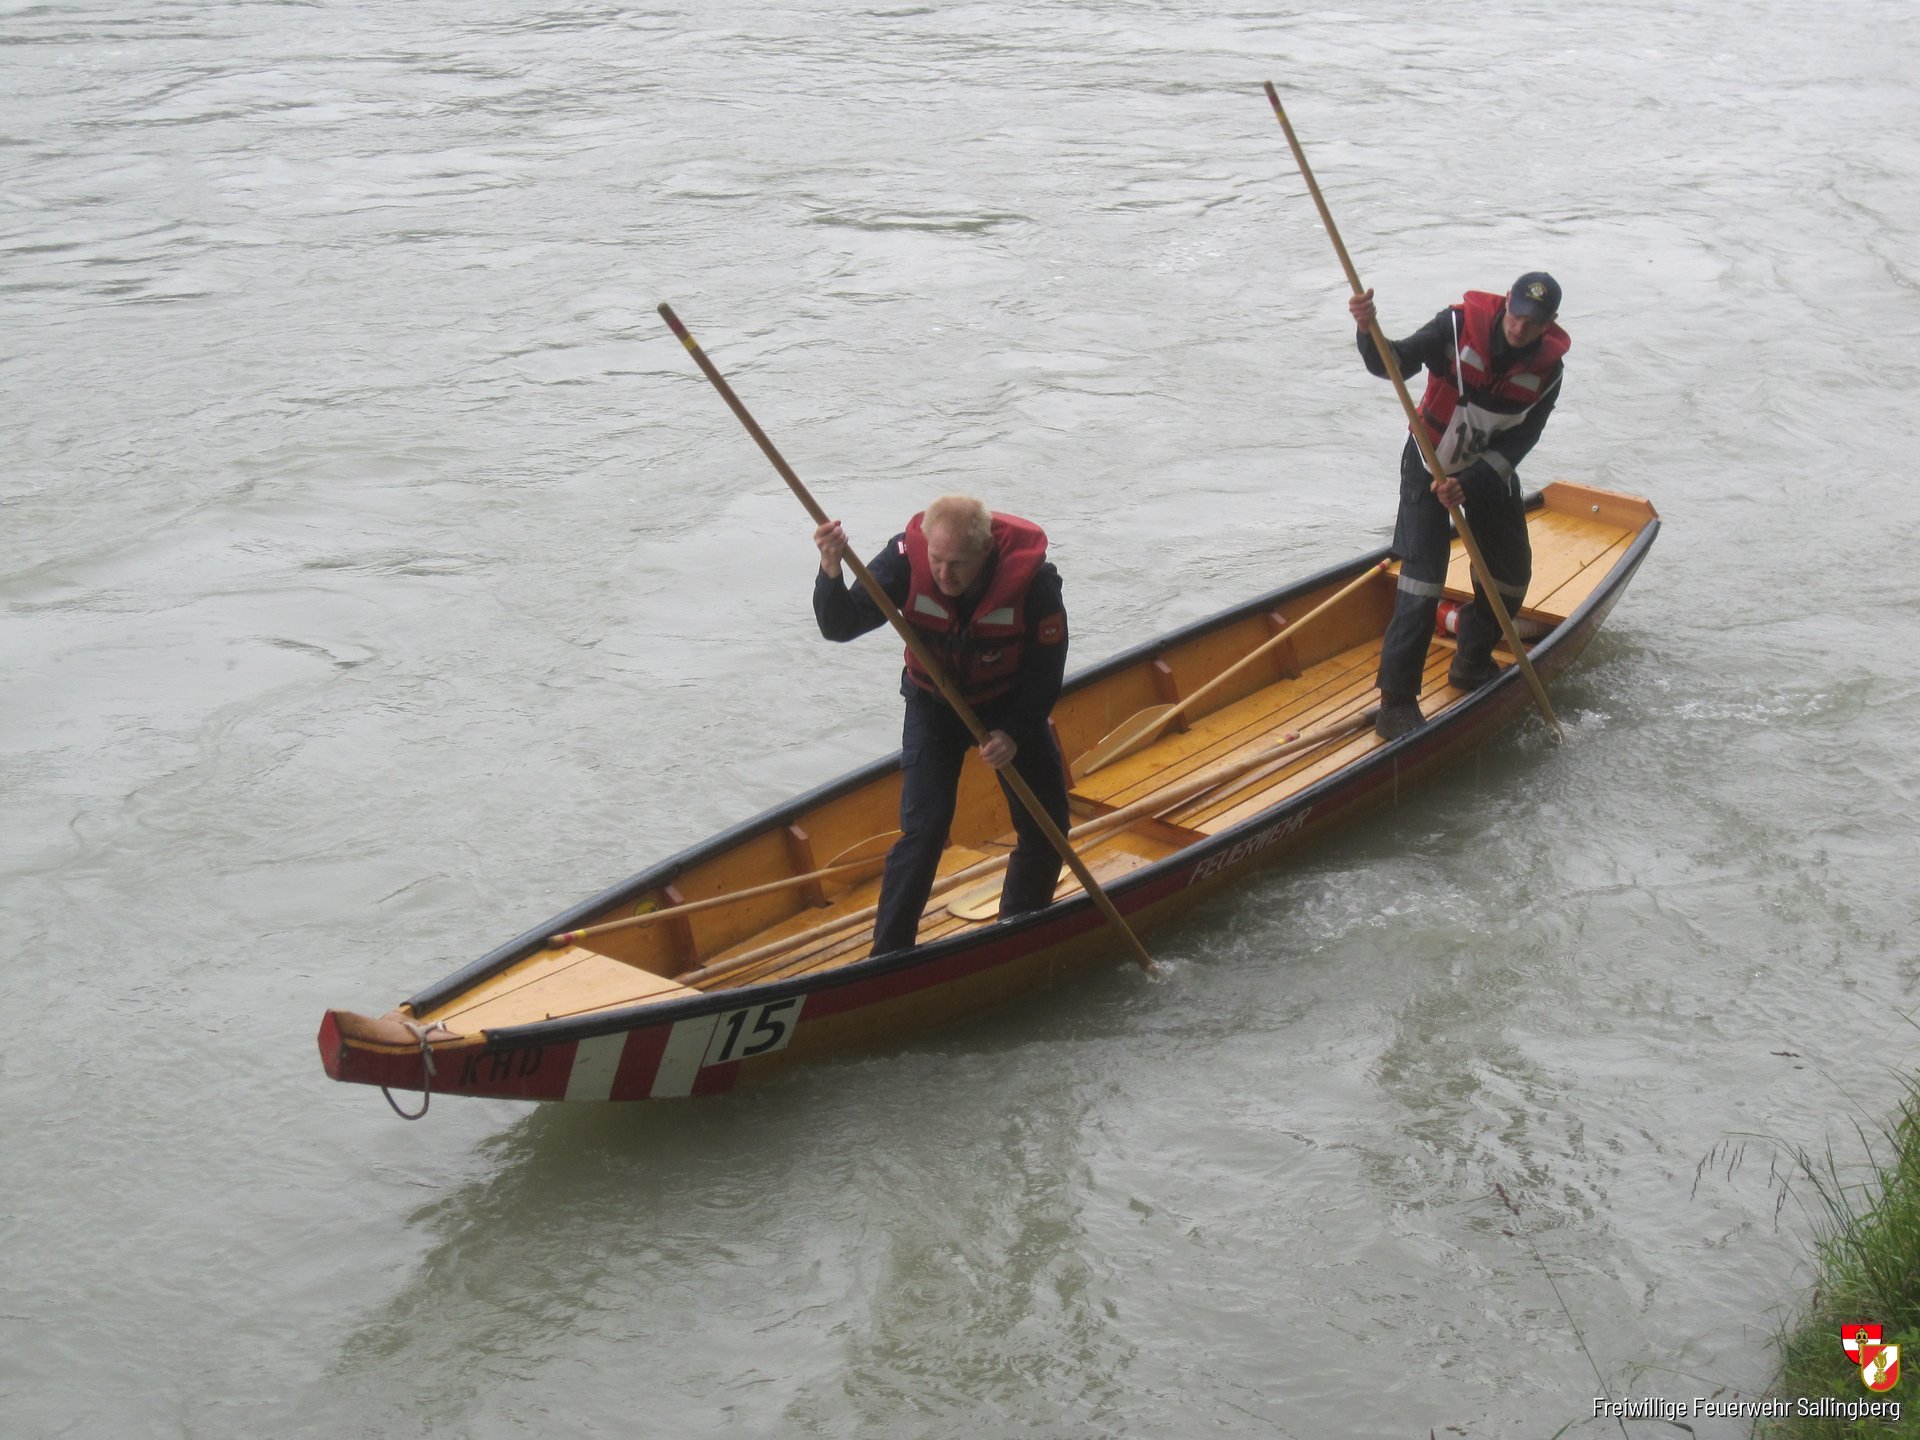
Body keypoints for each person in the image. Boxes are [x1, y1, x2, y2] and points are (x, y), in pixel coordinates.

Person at [813, 495, 1072, 955]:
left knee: (1046, 825)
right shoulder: (905, 561)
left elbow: (1047, 670)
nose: (943, 574)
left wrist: (1013, 732)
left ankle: (1017, 928)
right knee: (925, 830)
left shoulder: (1034, 583)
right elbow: (841, 625)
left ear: (985, 551)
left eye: (957, 564)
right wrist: (830, 567)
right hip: (934, 706)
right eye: (936, 559)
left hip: (1011, 705)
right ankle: (888, 955)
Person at [1348, 271, 1570, 741]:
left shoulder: (1549, 372)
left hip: (1486, 474)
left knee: (1510, 576)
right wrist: (1368, 331)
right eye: (1515, 316)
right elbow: (1393, 364)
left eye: (1532, 323)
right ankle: (1396, 705)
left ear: (1549, 323)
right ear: (1505, 302)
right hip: (1427, 463)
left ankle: (1471, 661)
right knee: (1421, 582)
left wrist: (1469, 484)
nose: (1519, 328)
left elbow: (1520, 442)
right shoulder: (1455, 326)